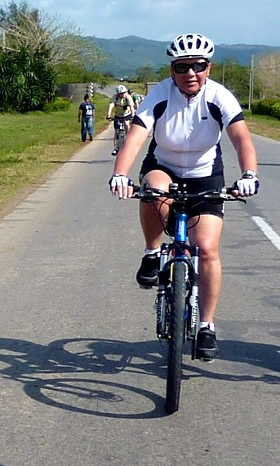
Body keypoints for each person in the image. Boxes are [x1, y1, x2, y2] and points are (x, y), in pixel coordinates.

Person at [108, 32, 259, 361]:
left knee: (206, 249)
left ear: (209, 67)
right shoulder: (160, 95)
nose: (190, 73)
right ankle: (151, 252)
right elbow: (136, 136)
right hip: (165, 165)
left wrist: (249, 175)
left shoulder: (219, 97)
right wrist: (120, 174)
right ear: (173, 69)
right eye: (182, 66)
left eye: (198, 66)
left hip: (206, 175)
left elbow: (241, 140)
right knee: (151, 190)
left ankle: (206, 325)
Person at [106, 84, 137, 155]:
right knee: (116, 131)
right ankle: (115, 148)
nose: (122, 95)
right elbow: (111, 105)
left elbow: (131, 106)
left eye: (123, 93)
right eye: (120, 94)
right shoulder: (115, 98)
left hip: (126, 114)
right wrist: (108, 115)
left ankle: (129, 142)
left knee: (126, 124)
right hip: (118, 115)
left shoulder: (128, 97)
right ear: (117, 94)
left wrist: (132, 115)